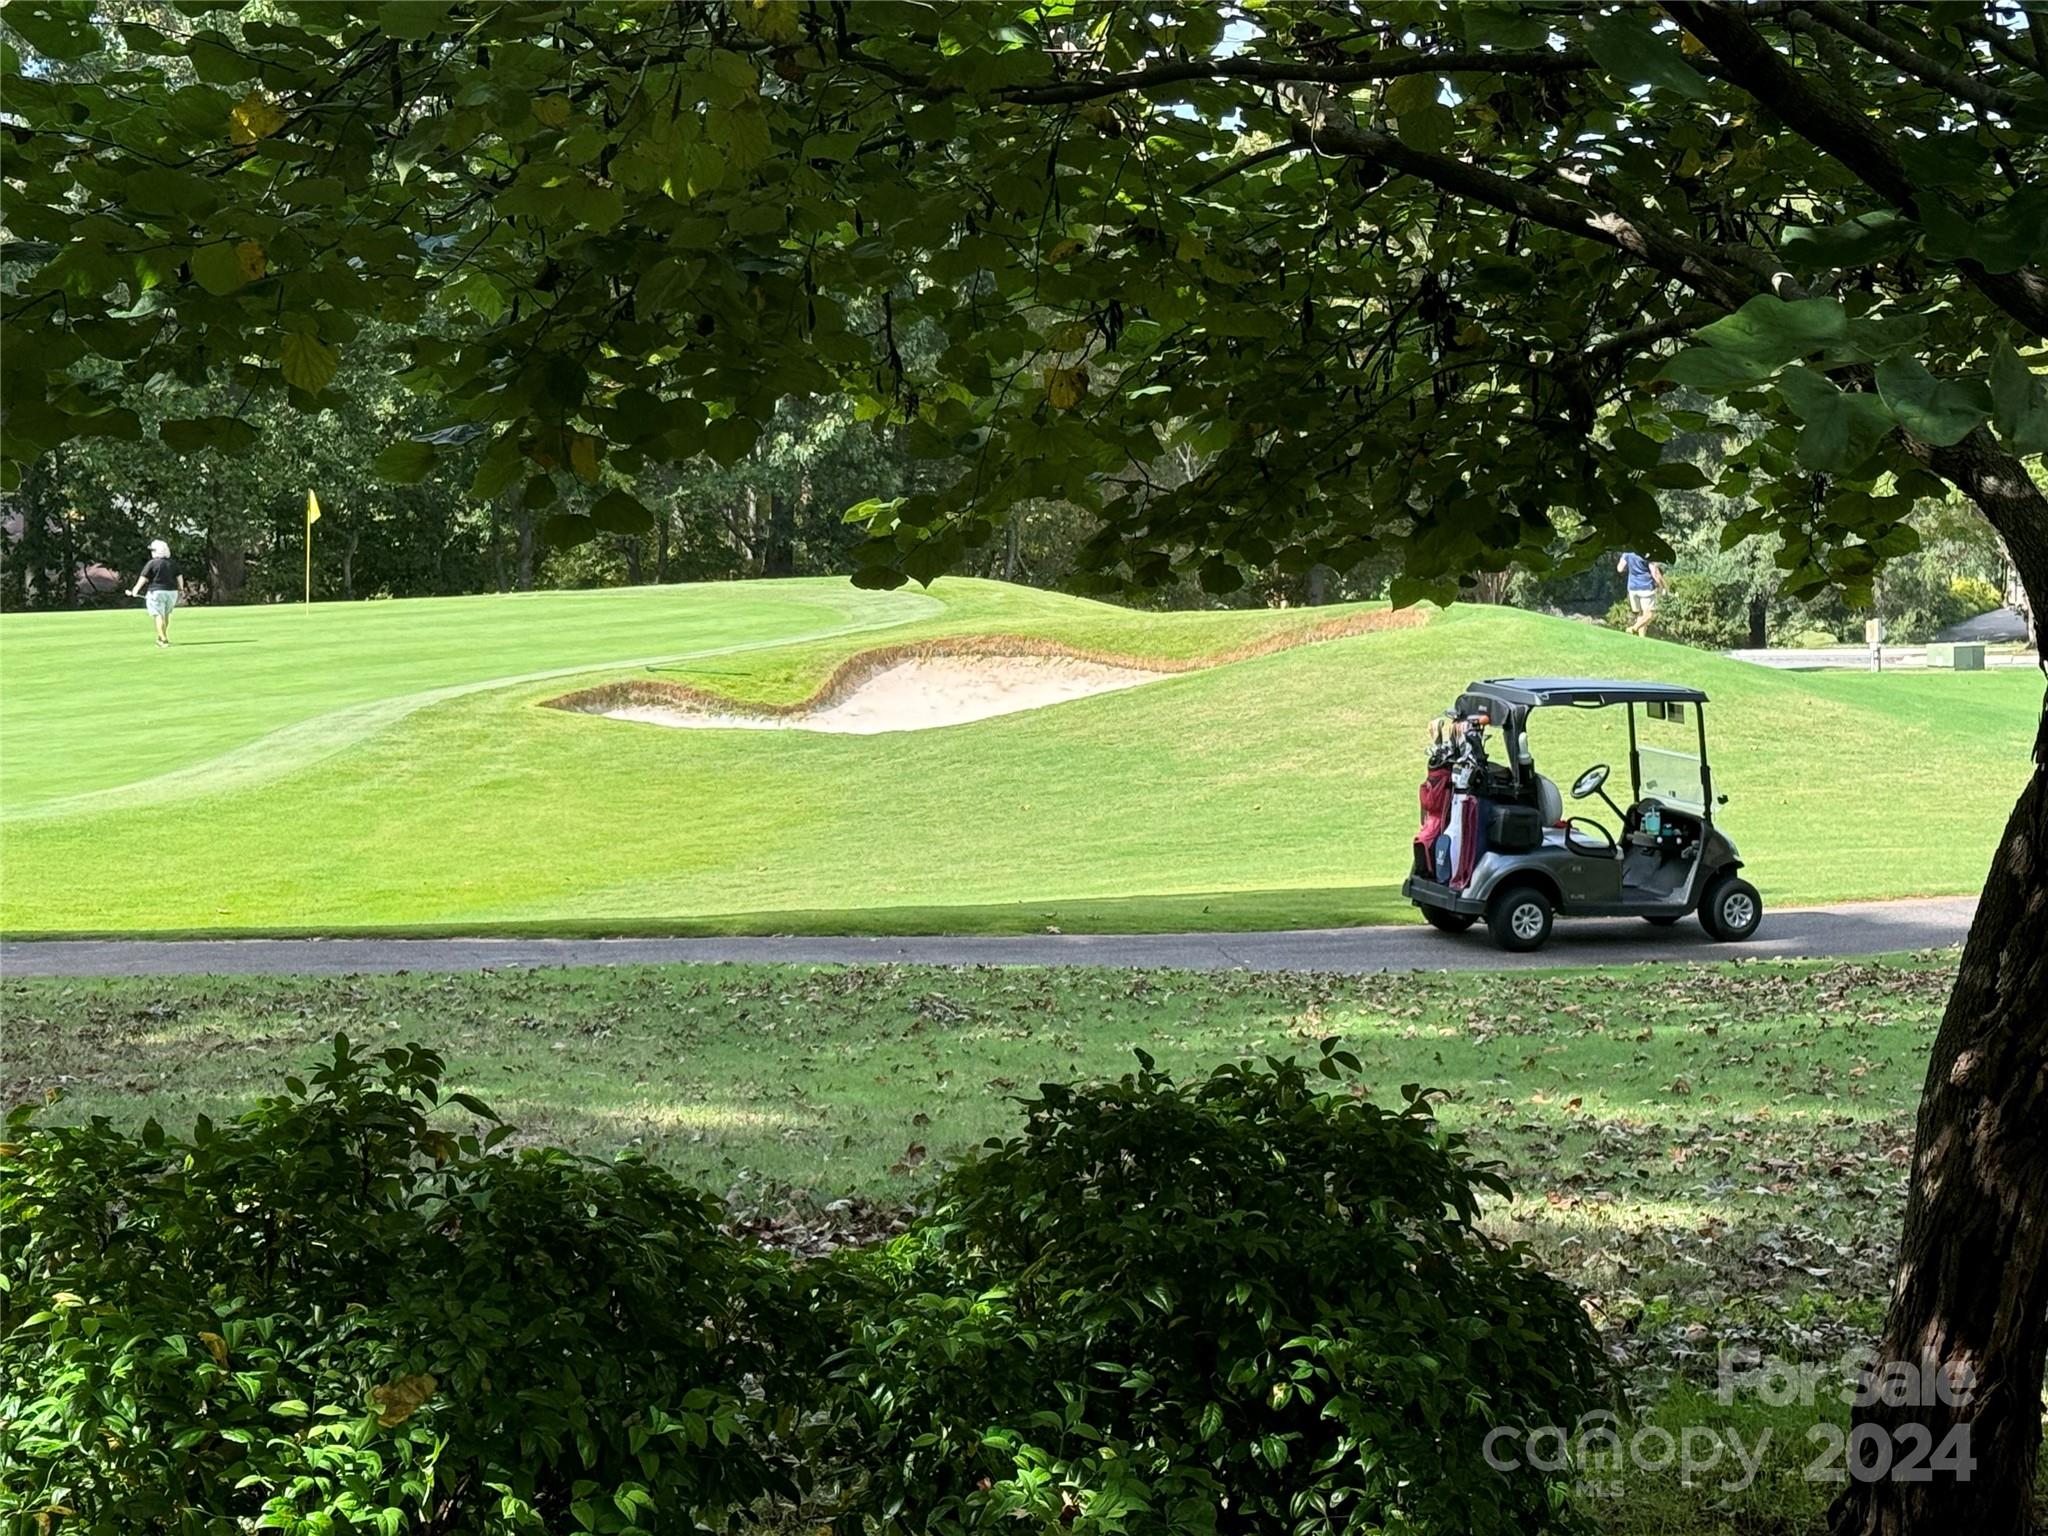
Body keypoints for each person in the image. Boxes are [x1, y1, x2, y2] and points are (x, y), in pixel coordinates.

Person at [128, 539, 186, 647]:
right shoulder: (172, 563)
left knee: (158, 615)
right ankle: (161, 637)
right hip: (172, 592)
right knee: (166, 615)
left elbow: (143, 578)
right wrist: (181, 589)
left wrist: (135, 590)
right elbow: (179, 576)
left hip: (156, 592)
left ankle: (163, 639)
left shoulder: (152, 563)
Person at [1616, 550, 1668, 636]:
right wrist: (1662, 586)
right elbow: (1655, 573)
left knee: (1640, 615)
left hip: (1632, 587)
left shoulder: (1627, 553)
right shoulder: (1647, 554)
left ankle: (1641, 638)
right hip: (1646, 587)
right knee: (1649, 615)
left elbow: (1619, 568)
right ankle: (1633, 628)